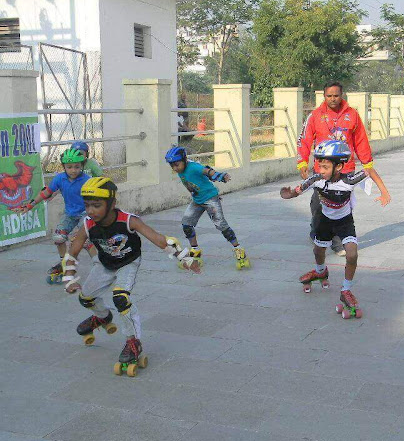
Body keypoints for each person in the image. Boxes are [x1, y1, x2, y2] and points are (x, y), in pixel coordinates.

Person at [62, 177, 200, 376]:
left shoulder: (128, 220)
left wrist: (184, 258)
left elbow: (159, 239)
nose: (91, 210)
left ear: (112, 204)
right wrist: (69, 277)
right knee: (86, 298)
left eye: (97, 205)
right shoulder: (88, 223)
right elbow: (73, 249)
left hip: (128, 262)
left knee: (121, 298)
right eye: (87, 205)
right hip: (105, 264)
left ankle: (133, 342)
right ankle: (102, 317)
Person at [297, 80, 391, 254]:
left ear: (342, 95)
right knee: (319, 204)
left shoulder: (352, 115)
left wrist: (367, 163)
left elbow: (361, 140)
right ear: (324, 96)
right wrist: (302, 162)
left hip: (345, 168)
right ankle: (316, 228)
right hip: (322, 169)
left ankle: (337, 240)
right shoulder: (315, 116)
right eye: (329, 96)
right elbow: (304, 139)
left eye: (336, 96)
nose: (333, 99)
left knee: (340, 205)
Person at [280, 140, 371, 319]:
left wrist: (382, 189)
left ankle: (346, 290)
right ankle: (320, 271)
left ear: (339, 167)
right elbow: (298, 190)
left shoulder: (350, 180)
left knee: (352, 254)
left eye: (325, 167)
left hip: (345, 222)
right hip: (324, 221)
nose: (320, 170)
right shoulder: (316, 180)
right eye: (319, 166)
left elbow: (368, 171)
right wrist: (288, 194)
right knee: (318, 250)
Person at [14, 147, 92, 283]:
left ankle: (101, 265)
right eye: (69, 167)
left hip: (86, 213)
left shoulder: (87, 180)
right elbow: (46, 192)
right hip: (70, 214)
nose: (73, 170)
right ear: (64, 167)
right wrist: (30, 205)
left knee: (84, 240)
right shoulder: (60, 179)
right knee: (58, 237)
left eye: (77, 167)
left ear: (82, 166)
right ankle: (64, 264)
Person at [165, 146, 250, 269]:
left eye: (177, 165)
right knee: (187, 224)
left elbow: (207, 171)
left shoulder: (193, 167)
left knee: (221, 225)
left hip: (210, 198)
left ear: (184, 160)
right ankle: (195, 251)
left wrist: (220, 176)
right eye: (172, 166)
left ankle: (238, 250)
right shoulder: (180, 170)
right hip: (197, 200)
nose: (175, 168)